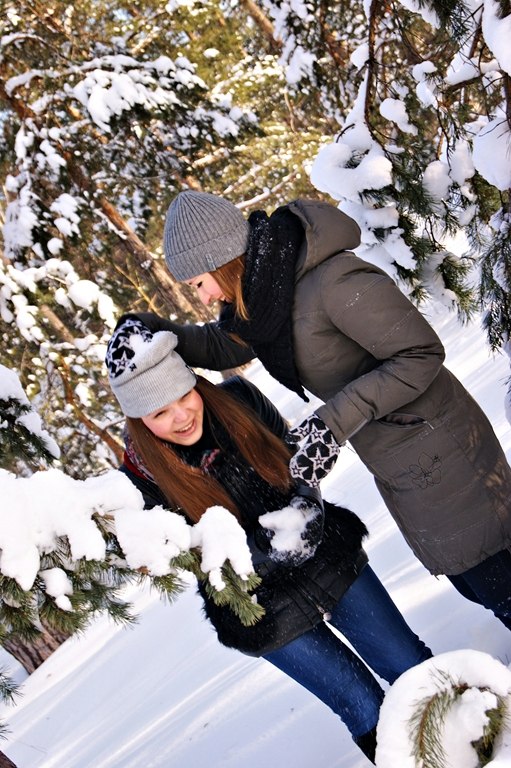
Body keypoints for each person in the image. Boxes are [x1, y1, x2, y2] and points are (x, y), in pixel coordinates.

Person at [120, 188, 511, 632]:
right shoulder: (268, 298)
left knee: (492, 575)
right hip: (397, 452)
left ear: (221, 261)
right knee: (474, 579)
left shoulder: (331, 281)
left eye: (198, 284)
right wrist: (152, 330)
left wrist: (332, 423)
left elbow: (420, 353)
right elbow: (222, 345)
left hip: (439, 441)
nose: (205, 298)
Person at [105, 316, 433, 764]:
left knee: (408, 664)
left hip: (327, 558)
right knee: (361, 705)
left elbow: (296, 464)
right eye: (160, 413)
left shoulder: (239, 399)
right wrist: (265, 552)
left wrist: (308, 506)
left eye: (184, 395)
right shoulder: (139, 484)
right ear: (139, 419)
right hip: (261, 612)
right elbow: (191, 559)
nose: (181, 416)